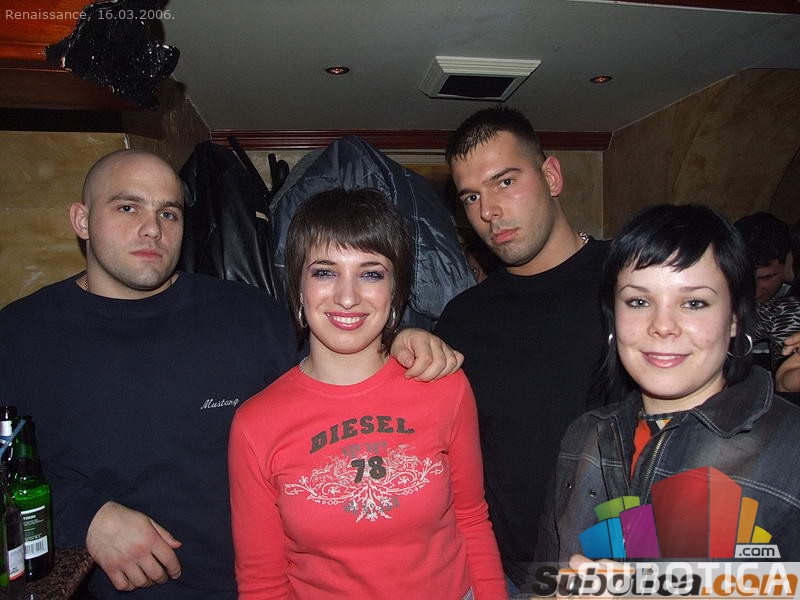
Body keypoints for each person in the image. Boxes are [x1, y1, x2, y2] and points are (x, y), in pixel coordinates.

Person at [0, 150, 462, 599]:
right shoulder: (19, 336)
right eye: (127, 207)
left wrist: (398, 341)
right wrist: (85, 518)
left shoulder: (248, 314)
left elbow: (338, 380)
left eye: (169, 213)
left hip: (283, 582)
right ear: (81, 220)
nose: (152, 228)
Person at [228, 188, 506, 600]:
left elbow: (472, 520)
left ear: (395, 292)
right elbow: (262, 583)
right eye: (324, 272)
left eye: (371, 273)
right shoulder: (255, 425)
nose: (347, 297)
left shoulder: (442, 384)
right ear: (298, 288)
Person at [537, 204, 800, 564]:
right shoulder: (585, 437)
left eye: (694, 302)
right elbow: (547, 575)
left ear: (735, 318)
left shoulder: (789, 447)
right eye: (638, 301)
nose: (662, 326)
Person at [434, 107, 609, 591]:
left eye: (505, 182)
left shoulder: (632, 283)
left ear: (551, 176)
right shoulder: (463, 318)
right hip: (515, 577)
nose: (488, 211)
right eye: (471, 196)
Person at [734, 212, 800, 375]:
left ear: (789, 263)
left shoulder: (790, 308)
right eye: (743, 278)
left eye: (766, 278)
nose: (754, 292)